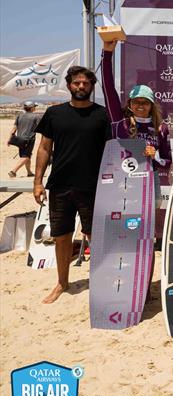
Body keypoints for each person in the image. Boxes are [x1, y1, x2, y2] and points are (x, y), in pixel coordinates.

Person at [33, 66, 111, 303]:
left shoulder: (103, 114)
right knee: (62, 235)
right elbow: (45, 148)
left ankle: (99, 281)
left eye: (86, 83)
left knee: (95, 235)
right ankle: (62, 283)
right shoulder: (54, 114)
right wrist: (38, 182)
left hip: (93, 185)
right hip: (60, 185)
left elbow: (112, 150)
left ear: (92, 86)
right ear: (68, 85)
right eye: (76, 83)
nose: (81, 87)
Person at [101, 42, 172, 178]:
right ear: (130, 104)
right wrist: (107, 53)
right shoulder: (120, 122)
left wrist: (155, 156)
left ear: (152, 105)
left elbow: (167, 163)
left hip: (149, 183)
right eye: (136, 102)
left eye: (145, 102)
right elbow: (108, 87)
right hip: (122, 181)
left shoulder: (161, 128)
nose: (140, 105)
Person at [7, 100, 42, 178]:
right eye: (34, 107)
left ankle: (29, 172)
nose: (35, 108)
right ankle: (13, 171)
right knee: (26, 157)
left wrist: (10, 139)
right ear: (32, 108)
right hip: (28, 139)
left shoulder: (20, 116)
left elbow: (14, 128)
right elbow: (41, 127)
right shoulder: (36, 116)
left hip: (19, 139)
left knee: (25, 155)